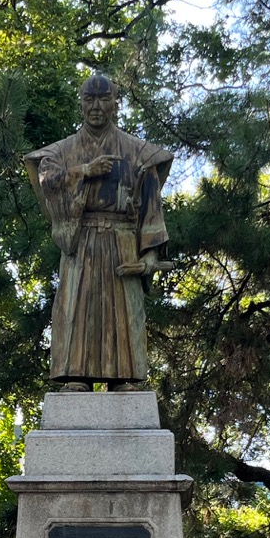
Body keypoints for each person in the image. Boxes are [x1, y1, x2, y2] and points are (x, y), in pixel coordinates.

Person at [24, 73, 174, 390]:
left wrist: (148, 254)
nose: (96, 106)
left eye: (104, 98)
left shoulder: (137, 152)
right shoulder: (62, 151)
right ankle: (74, 375)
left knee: (125, 310)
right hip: (82, 241)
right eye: (89, 99)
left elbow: (151, 206)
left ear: (115, 103)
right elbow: (46, 178)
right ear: (80, 103)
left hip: (123, 242)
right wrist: (85, 171)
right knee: (75, 306)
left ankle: (126, 378)